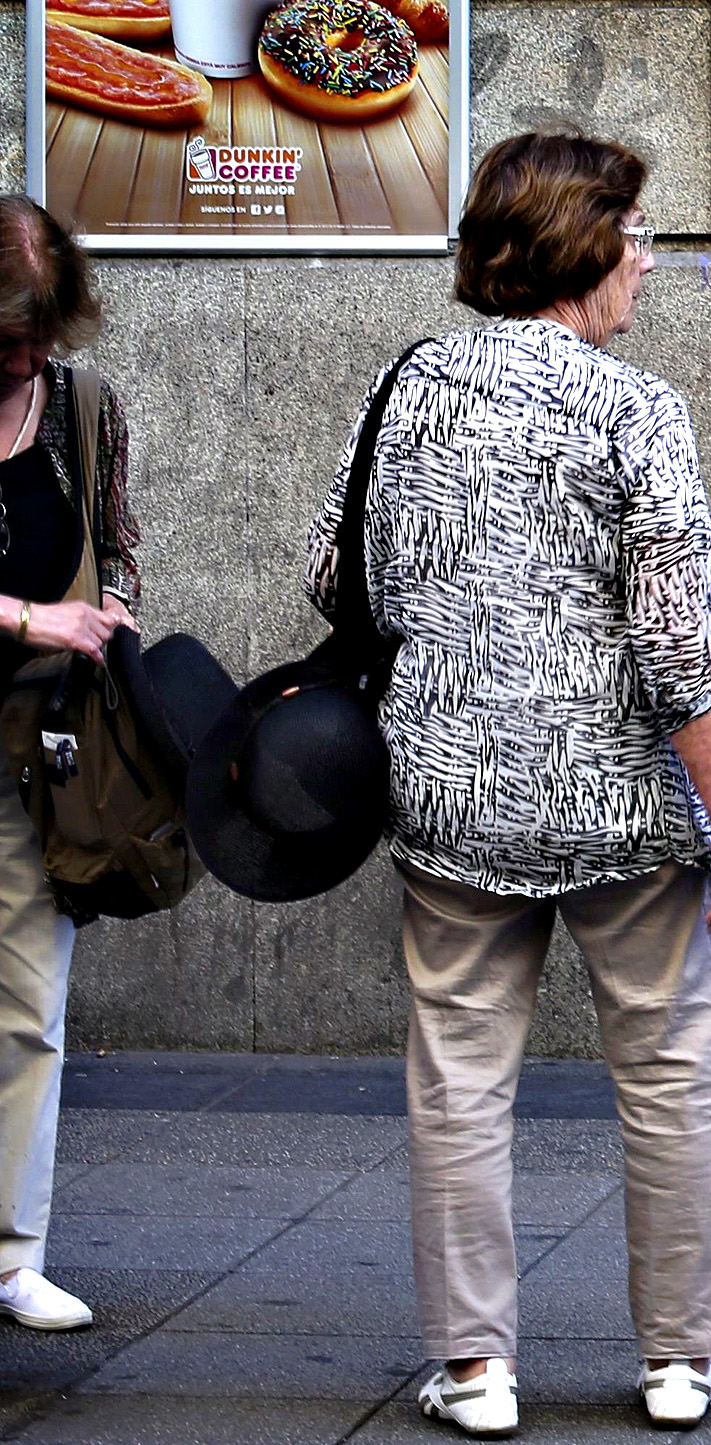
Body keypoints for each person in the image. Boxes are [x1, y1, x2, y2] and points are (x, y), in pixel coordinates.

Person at [304, 133, 711, 1436]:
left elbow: (332, 582)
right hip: (621, 798)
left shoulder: (405, 386)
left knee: (457, 1081)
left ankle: (472, 1368)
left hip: (450, 792)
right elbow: (683, 644)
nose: (649, 256)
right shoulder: (636, 409)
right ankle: (677, 1361)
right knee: (671, 1071)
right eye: (635, 231)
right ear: (583, 248)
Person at [0, 197, 139, 1334]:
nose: (27, 357)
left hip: (36, 754)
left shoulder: (83, 409)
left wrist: (111, 619)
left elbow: (120, 547)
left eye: (42, 335)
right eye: (6, 339)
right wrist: (25, 616)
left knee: (27, 1007)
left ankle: (12, 1249)